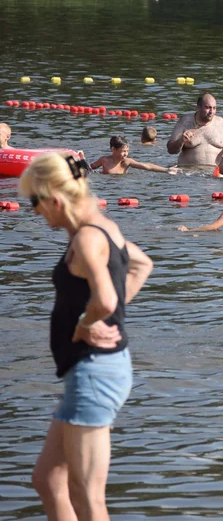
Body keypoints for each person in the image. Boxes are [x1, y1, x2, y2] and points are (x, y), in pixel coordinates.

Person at [20, 152, 153, 521]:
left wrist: (88, 321)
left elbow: (106, 298)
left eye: (35, 201)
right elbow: (142, 264)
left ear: (55, 200)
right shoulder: (102, 226)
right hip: (90, 370)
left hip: (95, 372)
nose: (34, 211)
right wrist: (111, 315)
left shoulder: (86, 239)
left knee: (86, 495)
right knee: (48, 479)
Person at [166, 93, 223, 167]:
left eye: (214, 108)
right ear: (198, 107)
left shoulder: (221, 123)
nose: (211, 112)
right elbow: (171, 150)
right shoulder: (184, 122)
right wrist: (181, 140)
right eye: (208, 108)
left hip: (215, 174)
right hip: (189, 173)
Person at [90, 135, 178, 175]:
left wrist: (166, 170)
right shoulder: (104, 160)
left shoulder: (127, 162)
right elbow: (90, 168)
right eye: (123, 151)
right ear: (113, 149)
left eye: (127, 151)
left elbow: (147, 166)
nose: (126, 154)